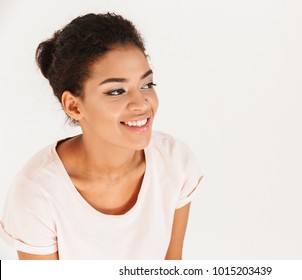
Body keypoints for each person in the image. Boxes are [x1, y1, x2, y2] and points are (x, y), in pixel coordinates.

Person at [0, 13, 204, 260]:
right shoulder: (38, 194)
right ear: (74, 106)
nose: (141, 103)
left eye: (147, 85)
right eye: (116, 91)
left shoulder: (175, 162)